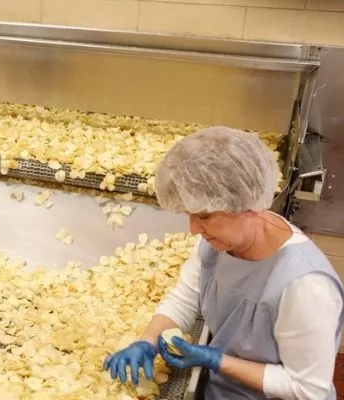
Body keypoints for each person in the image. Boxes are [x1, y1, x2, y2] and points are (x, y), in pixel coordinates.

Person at [103, 126, 344, 399]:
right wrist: (147, 341)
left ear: (247, 206)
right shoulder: (218, 244)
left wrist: (216, 360)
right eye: (189, 214)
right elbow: (185, 298)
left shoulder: (305, 285)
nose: (193, 228)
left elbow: (307, 389)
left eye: (204, 216)